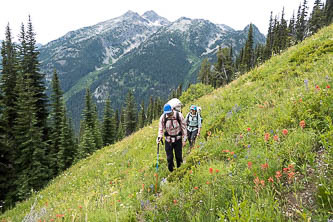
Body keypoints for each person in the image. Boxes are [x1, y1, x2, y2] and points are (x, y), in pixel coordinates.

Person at [157, 104, 187, 172]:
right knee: (169, 158)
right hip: (168, 140)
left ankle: (180, 171)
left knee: (179, 157)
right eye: (167, 113)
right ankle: (172, 172)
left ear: (172, 110)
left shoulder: (178, 115)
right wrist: (159, 137)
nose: (168, 114)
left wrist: (184, 140)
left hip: (178, 139)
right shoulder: (163, 117)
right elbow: (160, 128)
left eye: (169, 113)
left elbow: (184, 127)